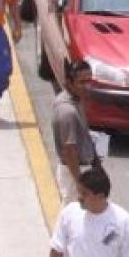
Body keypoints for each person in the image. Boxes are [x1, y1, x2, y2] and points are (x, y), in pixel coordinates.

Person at [51, 59, 100, 203]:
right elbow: (69, 150)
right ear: (69, 83)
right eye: (82, 82)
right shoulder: (67, 111)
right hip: (74, 173)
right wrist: (80, 183)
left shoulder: (77, 99)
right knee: (71, 216)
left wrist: (97, 164)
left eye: (89, 81)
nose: (87, 86)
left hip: (83, 169)